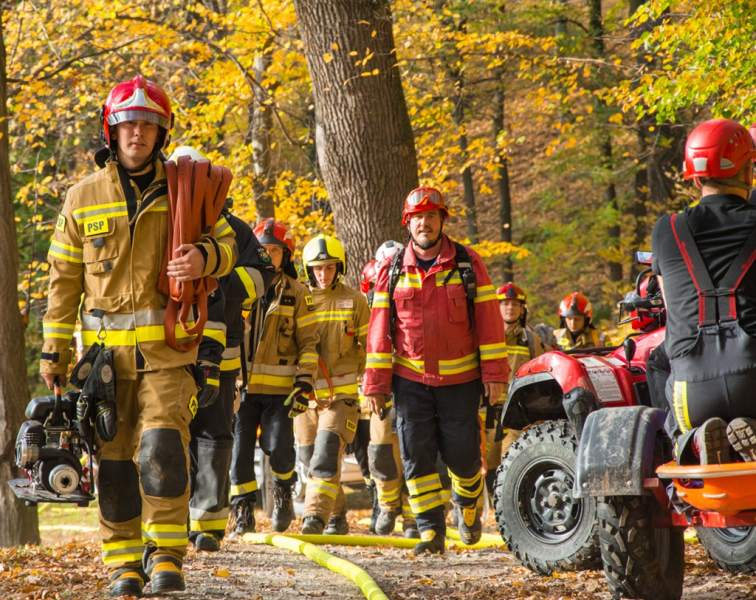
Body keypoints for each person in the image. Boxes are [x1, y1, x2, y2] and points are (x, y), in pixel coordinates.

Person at [41, 75, 237, 597]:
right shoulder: (81, 198)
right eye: (129, 125)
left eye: (148, 126)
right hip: (103, 364)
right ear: (112, 130)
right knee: (115, 461)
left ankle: (166, 554)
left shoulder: (187, 190)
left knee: (162, 449)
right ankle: (123, 563)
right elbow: (62, 282)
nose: (138, 135)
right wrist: (53, 352)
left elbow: (227, 244)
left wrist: (204, 257)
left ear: (161, 133)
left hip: (170, 355)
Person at [363, 186, 508, 555]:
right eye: (417, 218)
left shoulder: (467, 263)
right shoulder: (392, 269)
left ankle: (468, 507)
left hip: (460, 382)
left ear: (442, 220)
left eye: (431, 216)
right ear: (407, 223)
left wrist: (494, 376)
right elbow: (379, 329)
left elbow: (490, 323)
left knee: (463, 457)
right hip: (410, 381)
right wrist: (376, 385)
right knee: (416, 454)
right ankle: (430, 532)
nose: (424, 223)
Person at [652, 118, 756, 465]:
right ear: (748, 173)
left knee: (664, 375)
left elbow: (673, 310)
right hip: (752, 375)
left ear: (695, 177)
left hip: (692, 390)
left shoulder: (666, 230)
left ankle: (693, 441)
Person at [186, 188, 277, 551]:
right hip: (171, 351)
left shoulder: (235, 230)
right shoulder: (164, 223)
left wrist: (218, 283)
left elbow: (263, 273)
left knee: (213, 435)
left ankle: (207, 525)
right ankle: (171, 523)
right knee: (169, 436)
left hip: (222, 354)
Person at [229, 219, 320, 535]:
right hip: (241, 389)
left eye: (275, 250)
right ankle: (243, 511)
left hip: (282, 390)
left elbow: (309, 342)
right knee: (239, 453)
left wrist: (304, 382)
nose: (268, 255)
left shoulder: (298, 293)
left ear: (286, 255)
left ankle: (283, 494)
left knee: (280, 447)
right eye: (263, 249)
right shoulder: (240, 285)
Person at [296, 234, 370, 535]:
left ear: (338, 268)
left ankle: (314, 517)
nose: (323, 274)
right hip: (305, 398)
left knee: (326, 455)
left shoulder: (356, 301)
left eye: (329, 267)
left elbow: (370, 347)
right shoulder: (299, 299)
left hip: (341, 397)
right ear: (308, 269)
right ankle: (338, 516)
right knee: (309, 459)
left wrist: (370, 386)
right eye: (317, 268)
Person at [360, 256, 419, 538]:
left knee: (414, 450)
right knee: (382, 452)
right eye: (373, 286)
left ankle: (411, 516)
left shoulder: (411, 310)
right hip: (380, 396)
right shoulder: (363, 315)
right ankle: (387, 506)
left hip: (411, 390)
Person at [480, 283, 546, 495]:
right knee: (483, 469)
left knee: (511, 467)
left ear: (522, 309)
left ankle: (508, 511)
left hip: (516, 417)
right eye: (505, 303)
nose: (510, 308)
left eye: (515, 304)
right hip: (485, 415)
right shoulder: (482, 338)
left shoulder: (532, 341)